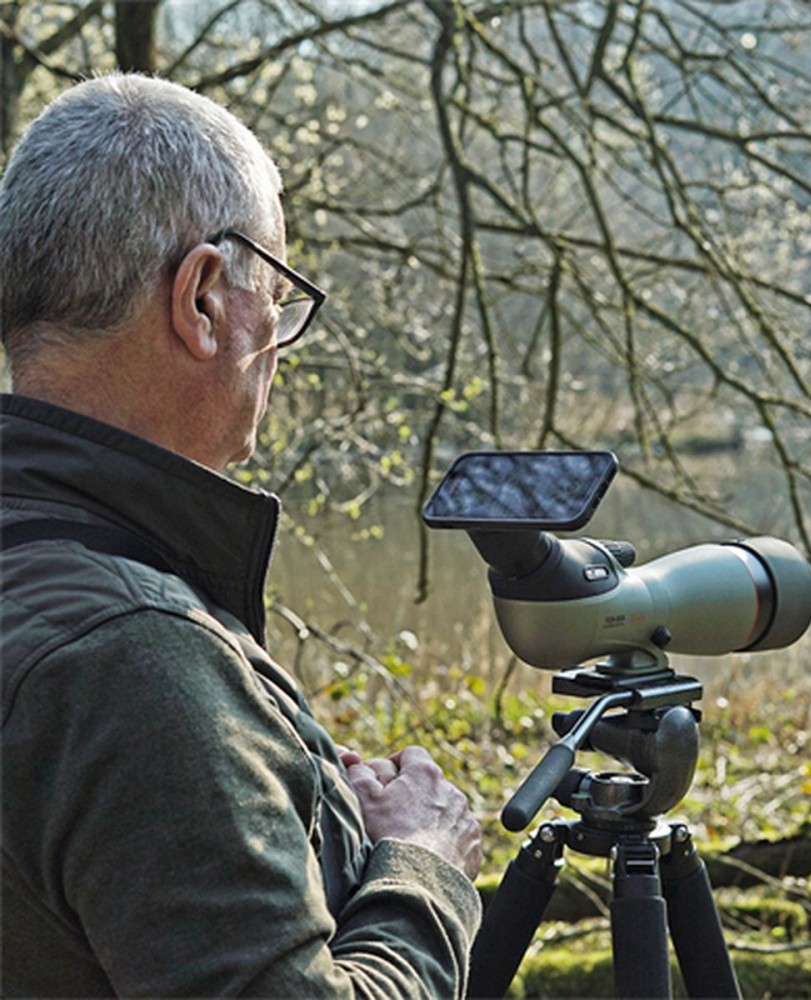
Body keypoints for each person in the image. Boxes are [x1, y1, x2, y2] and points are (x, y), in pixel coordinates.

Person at [0, 73, 482, 998]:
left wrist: (287, 798)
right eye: (279, 295)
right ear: (204, 300)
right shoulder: (131, 662)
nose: (279, 342)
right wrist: (423, 867)